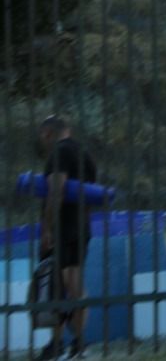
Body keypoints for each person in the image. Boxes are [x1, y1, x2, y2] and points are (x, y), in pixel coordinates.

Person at [36, 116, 96, 360]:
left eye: (43, 136)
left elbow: (56, 192)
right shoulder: (85, 154)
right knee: (69, 285)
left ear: (48, 132)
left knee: (62, 286)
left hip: (63, 229)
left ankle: (63, 344)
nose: (42, 141)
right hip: (82, 226)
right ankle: (73, 343)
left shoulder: (58, 154)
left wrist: (47, 229)